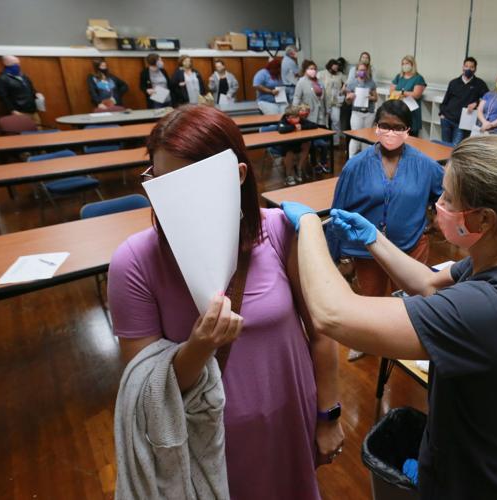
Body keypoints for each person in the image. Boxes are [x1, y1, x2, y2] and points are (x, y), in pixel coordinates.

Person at [281, 133, 497, 498]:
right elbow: (429, 284)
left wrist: (310, 226)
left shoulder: (487, 308)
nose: (438, 204)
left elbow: (333, 314)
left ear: (484, 219)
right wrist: (374, 237)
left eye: (448, 197)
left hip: (477, 480)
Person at [108, 105, 343, 500]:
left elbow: (321, 330)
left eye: (191, 184)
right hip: (205, 437)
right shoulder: (134, 262)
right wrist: (199, 346)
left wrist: (328, 415)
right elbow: (146, 390)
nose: (175, 201)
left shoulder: (281, 231)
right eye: (162, 183)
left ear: (237, 177)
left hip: (289, 419)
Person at [328, 100, 443, 361]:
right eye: (385, 126)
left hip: (411, 246)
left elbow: (448, 195)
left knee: (412, 300)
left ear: (408, 130)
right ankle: (368, 341)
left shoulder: (425, 165)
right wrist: (337, 256)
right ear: (376, 128)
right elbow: (338, 212)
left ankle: (410, 344)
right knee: (371, 299)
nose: (391, 133)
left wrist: (437, 220)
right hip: (367, 251)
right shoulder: (355, 166)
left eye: (398, 127)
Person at [439, 57, 489, 145]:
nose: (468, 69)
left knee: (456, 148)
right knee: (444, 146)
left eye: (471, 67)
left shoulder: (479, 84)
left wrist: (476, 104)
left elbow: (487, 100)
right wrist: (442, 114)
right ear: (462, 67)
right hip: (447, 119)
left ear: (475, 69)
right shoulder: (454, 82)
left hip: (463, 123)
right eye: (466, 66)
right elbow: (445, 100)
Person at [293, 60, 329, 174]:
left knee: (324, 142)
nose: (313, 71)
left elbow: (325, 98)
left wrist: (327, 111)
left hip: (321, 116)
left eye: (314, 68)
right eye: (310, 68)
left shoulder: (320, 82)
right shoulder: (301, 82)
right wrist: (296, 112)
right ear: (305, 70)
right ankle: (314, 164)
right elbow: (297, 98)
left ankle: (323, 163)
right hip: (308, 117)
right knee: (312, 144)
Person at [0, 55, 42, 125]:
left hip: (33, 110)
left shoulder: (23, 76)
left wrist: (36, 94)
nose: (18, 65)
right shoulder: (2, 79)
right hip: (20, 112)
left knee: (39, 131)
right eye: (15, 64)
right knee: (26, 133)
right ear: (6, 64)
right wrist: (12, 110)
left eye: (18, 63)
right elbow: (2, 97)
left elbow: (31, 89)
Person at [344, 62, 378, 158]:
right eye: (360, 70)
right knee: (356, 136)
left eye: (364, 70)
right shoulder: (352, 83)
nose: (362, 72)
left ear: (367, 71)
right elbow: (348, 102)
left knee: (366, 137)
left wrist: (370, 97)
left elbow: (376, 98)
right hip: (357, 113)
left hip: (369, 113)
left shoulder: (371, 83)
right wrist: (349, 98)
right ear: (356, 71)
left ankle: (365, 158)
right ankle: (351, 159)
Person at [277, 104, 316, 186]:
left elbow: (313, 125)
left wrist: (302, 127)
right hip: (286, 146)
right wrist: (294, 127)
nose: (297, 119)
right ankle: (289, 175)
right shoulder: (283, 120)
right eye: (294, 117)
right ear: (288, 117)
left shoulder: (300, 119)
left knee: (307, 143)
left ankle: (299, 168)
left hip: (298, 143)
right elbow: (281, 130)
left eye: (297, 117)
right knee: (289, 151)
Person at [389, 55, 427, 136]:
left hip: (411, 112)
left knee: (411, 138)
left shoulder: (418, 78)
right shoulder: (399, 77)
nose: (404, 65)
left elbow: (416, 94)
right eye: (403, 64)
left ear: (412, 65)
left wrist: (402, 93)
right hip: (398, 111)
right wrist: (401, 93)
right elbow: (391, 91)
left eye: (407, 63)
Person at [318, 58, 346, 146]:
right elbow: (317, 84)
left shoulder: (340, 75)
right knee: (323, 121)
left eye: (336, 69)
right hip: (324, 101)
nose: (335, 70)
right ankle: (323, 143)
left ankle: (335, 142)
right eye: (333, 69)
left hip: (335, 101)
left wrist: (342, 89)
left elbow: (348, 82)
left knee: (336, 121)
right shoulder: (322, 74)